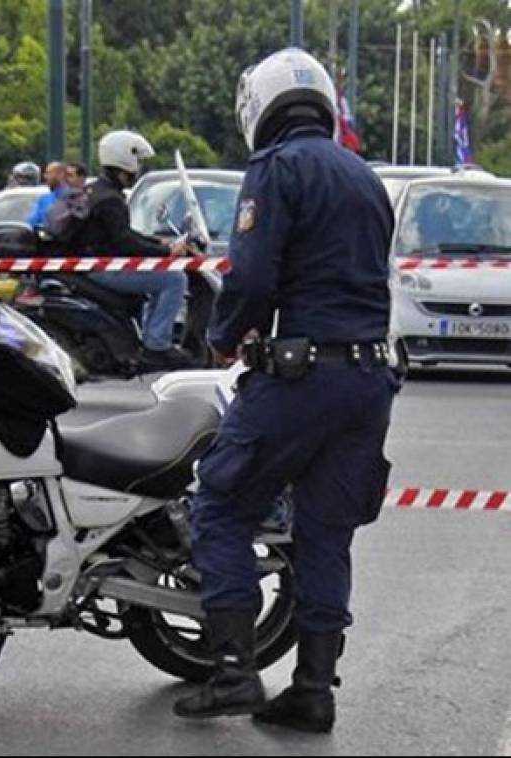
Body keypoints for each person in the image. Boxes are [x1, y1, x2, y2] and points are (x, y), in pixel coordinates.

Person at [172, 48, 397, 735]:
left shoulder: (277, 167)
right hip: (369, 379)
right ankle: (313, 690)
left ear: (259, 106)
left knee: (221, 504)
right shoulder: (365, 176)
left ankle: (233, 669)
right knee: (326, 531)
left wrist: (222, 336)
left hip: (302, 376)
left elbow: (253, 276)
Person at [74, 131, 192, 368]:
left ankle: (151, 337)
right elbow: (124, 243)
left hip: (97, 263)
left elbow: (123, 234)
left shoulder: (98, 190)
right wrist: (166, 253)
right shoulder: (110, 199)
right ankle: (157, 345)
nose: (138, 168)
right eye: (137, 161)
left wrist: (159, 243)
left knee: (162, 276)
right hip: (104, 268)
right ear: (125, 160)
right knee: (174, 279)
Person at [27, 162, 69, 229]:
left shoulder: (74, 197)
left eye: (49, 173)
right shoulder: (44, 199)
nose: (45, 176)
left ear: (61, 174)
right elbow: (32, 223)